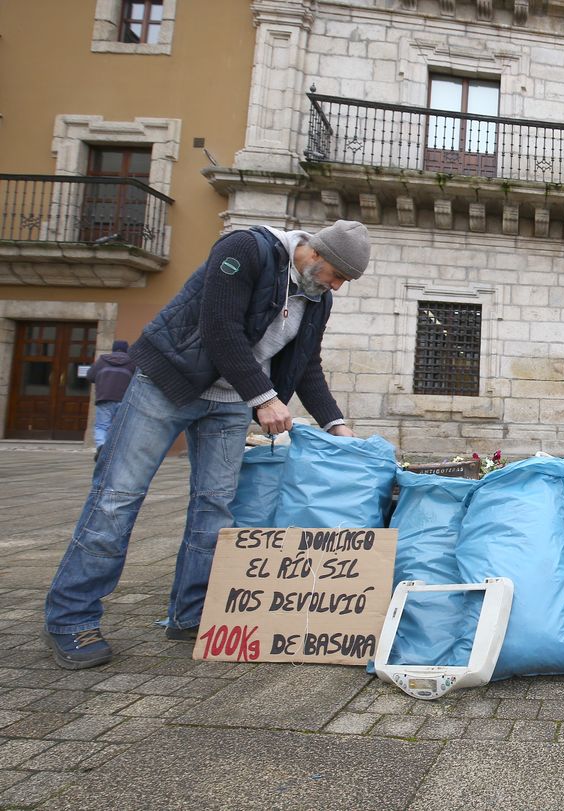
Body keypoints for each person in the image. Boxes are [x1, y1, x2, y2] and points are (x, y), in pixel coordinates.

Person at [42, 219, 370, 669]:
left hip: (231, 401)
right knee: (117, 498)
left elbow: (305, 364)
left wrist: (337, 425)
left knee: (215, 508)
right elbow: (219, 328)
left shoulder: (317, 298)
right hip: (166, 385)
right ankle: (70, 618)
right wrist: (266, 399)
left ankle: (191, 614)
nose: (338, 286)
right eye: (338, 275)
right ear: (314, 253)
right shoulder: (247, 249)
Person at [86, 339, 137, 461]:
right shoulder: (132, 363)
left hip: (104, 398)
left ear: (113, 349)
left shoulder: (102, 361)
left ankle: (101, 446)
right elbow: (137, 380)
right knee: (120, 426)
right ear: (126, 349)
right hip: (124, 399)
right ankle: (116, 452)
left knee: (102, 426)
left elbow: (90, 376)